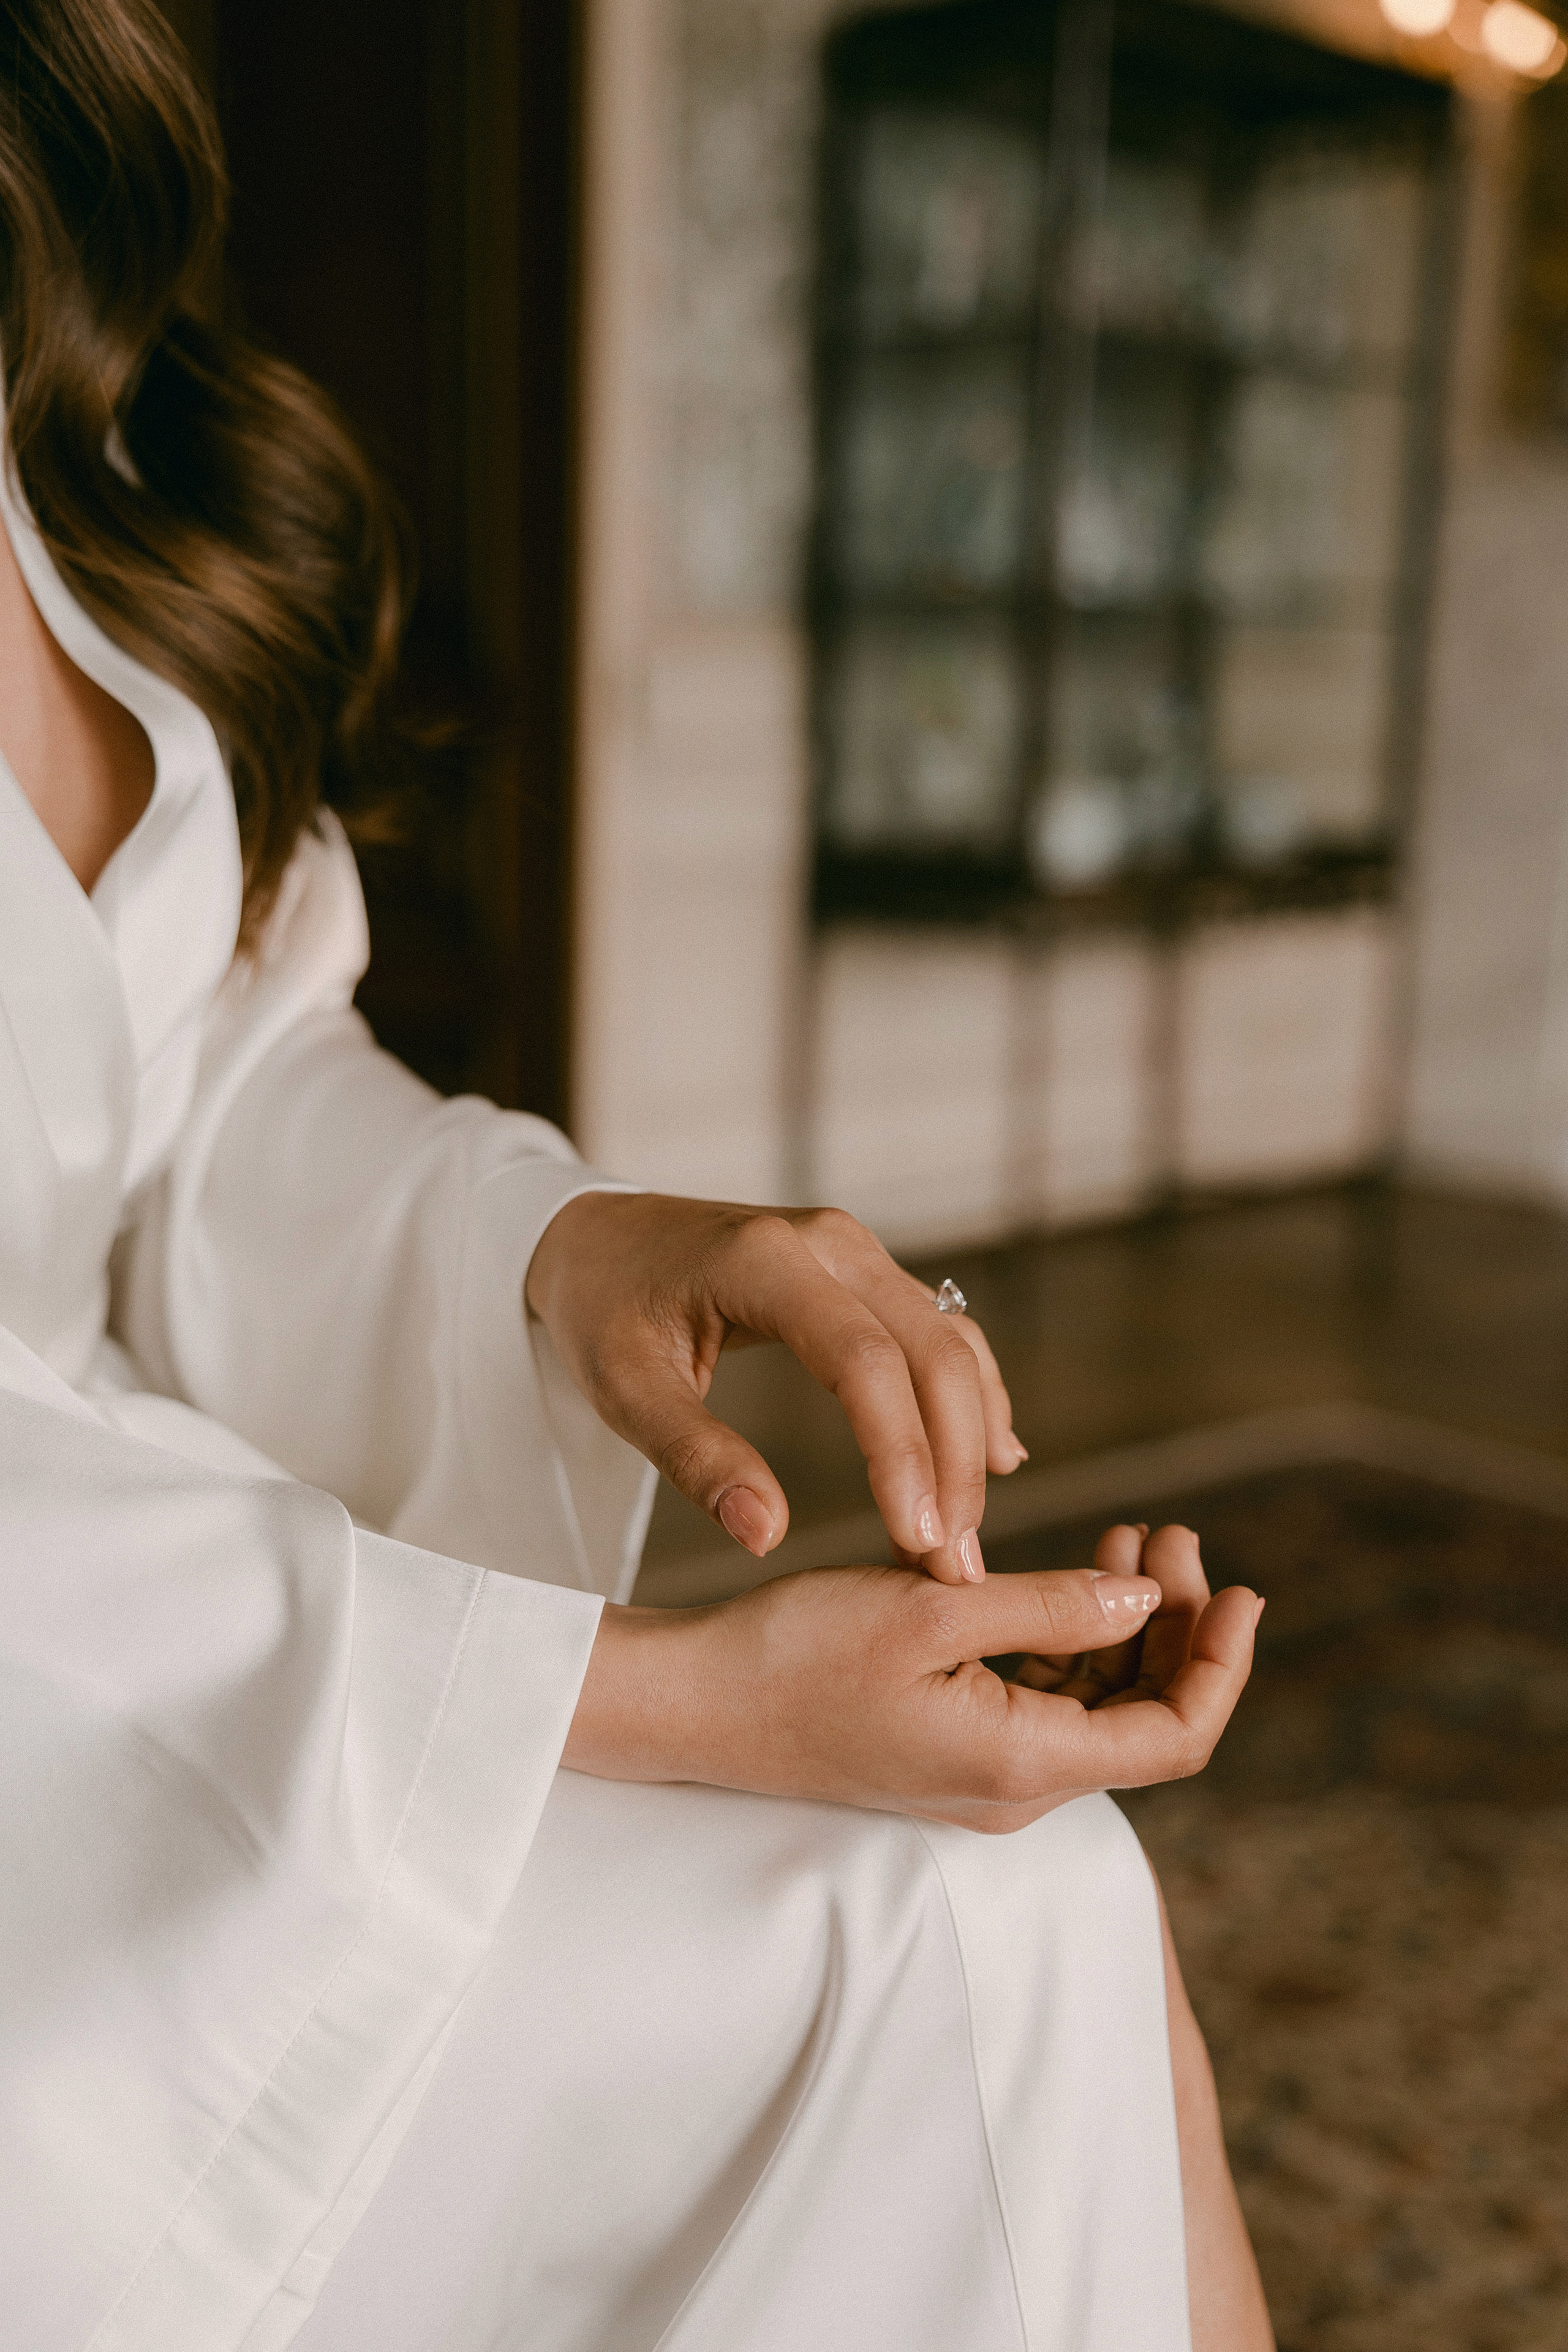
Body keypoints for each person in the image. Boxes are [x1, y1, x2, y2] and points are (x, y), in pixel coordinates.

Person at [0, 5, 1273, 2348]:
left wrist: (574, 1251)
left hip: (226, 1648)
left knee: (1034, 1901)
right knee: (957, 1918)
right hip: (73, 1749)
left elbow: (184, 1097)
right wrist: (689, 1698)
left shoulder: (55, 471)